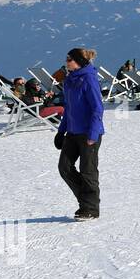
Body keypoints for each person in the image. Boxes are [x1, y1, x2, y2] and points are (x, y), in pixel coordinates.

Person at [55, 47, 105, 220]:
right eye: (66, 58)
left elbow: (97, 108)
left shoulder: (89, 79)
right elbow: (69, 108)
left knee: (88, 171)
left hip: (89, 133)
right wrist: (61, 132)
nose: (66, 61)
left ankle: (91, 208)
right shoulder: (69, 80)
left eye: (70, 59)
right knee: (64, 167)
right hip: (72, 132)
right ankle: (86, 201)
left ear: (79, 61)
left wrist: (93, 134)